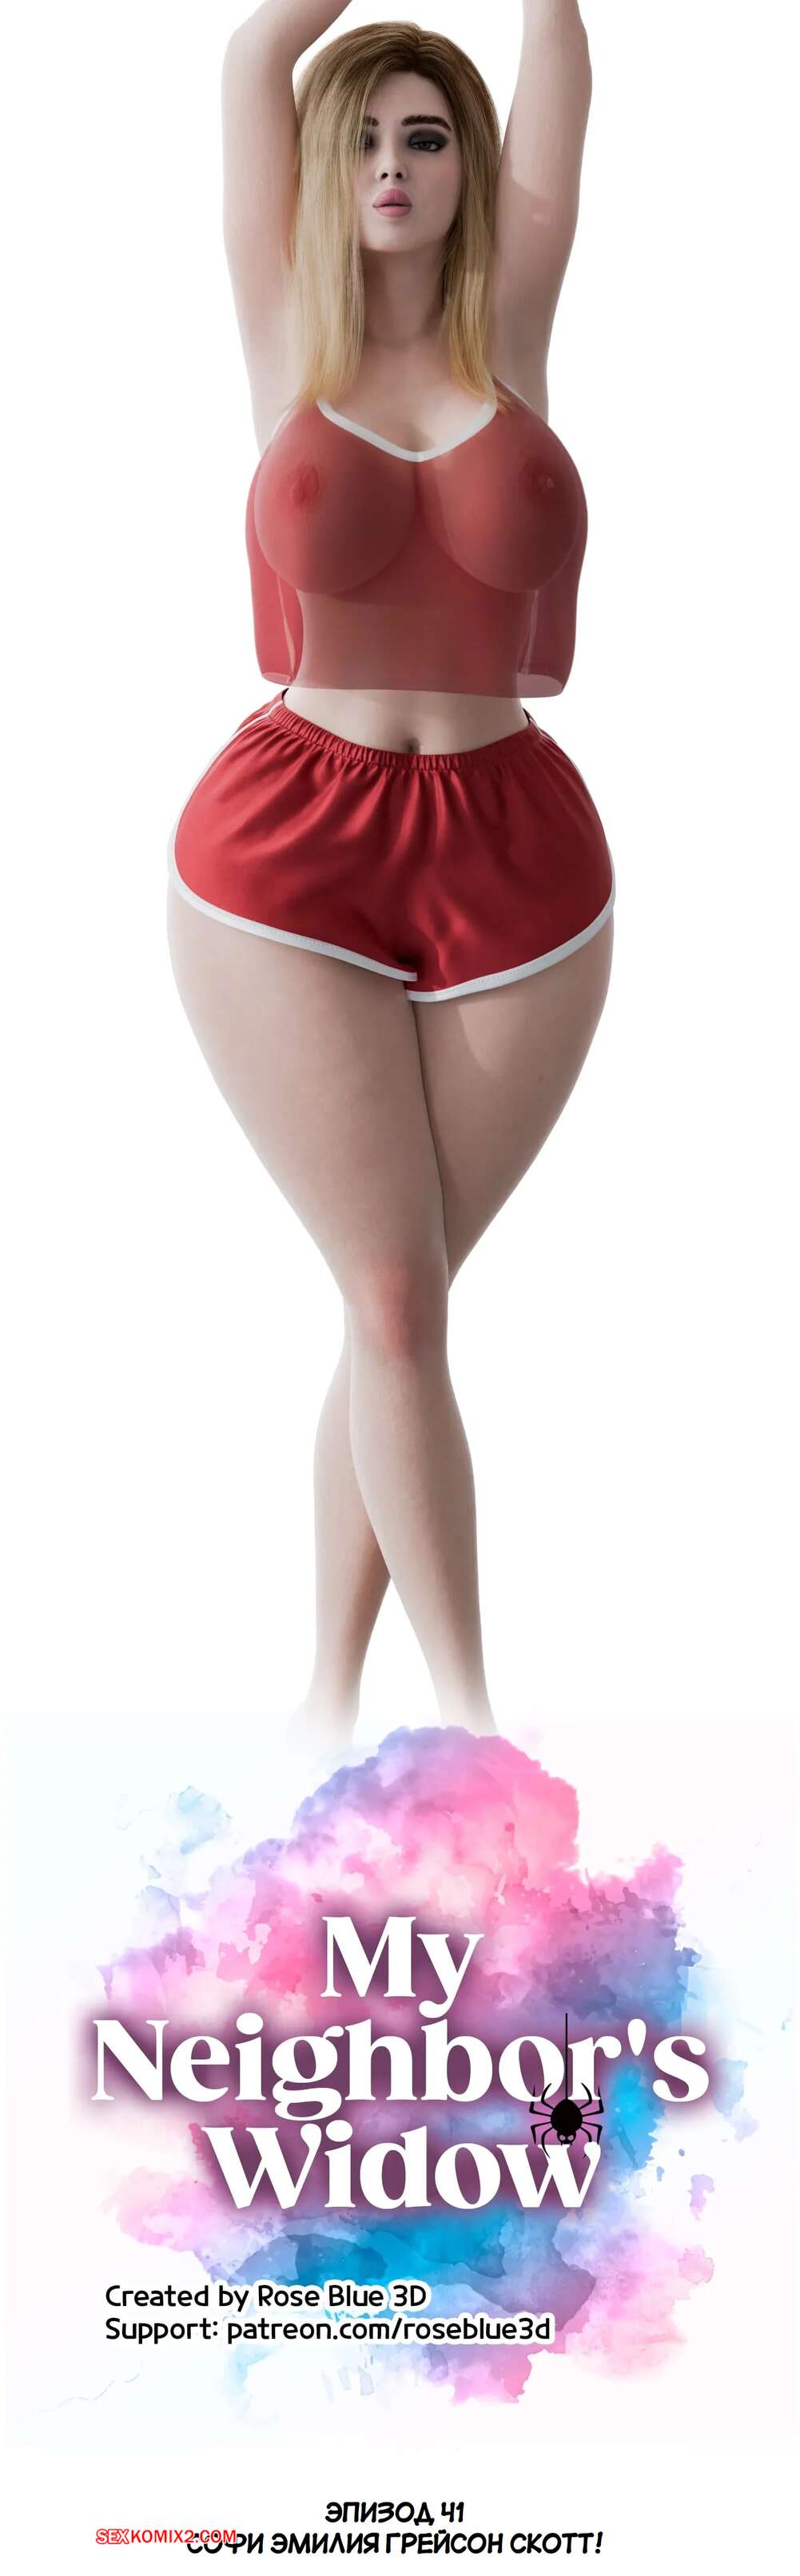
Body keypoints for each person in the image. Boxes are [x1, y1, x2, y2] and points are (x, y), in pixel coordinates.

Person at [167, 2, 615, 1745]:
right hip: (289, 850)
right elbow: (252, 60)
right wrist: (313, 72)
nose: (391, 166)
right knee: (394, 1298)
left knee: (401, 1303)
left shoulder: (516, 326)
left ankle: (323, 1708)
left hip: (520, 861)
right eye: (361, 136)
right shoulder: (288, 330)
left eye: (426, 136)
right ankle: (473, 1732)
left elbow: (565, 71)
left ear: (469, 169)